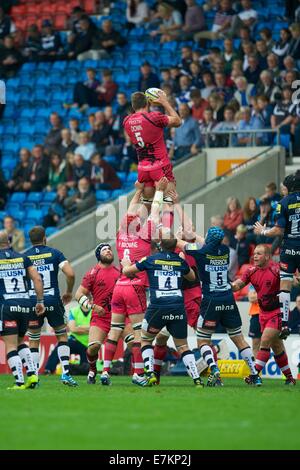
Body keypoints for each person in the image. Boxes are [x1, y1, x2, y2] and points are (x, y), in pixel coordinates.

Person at [101, 179, 168, 386]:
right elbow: (156, 211)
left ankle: (104, 371)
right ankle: (138, 373)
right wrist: (159, 191)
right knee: (140, 332)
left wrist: (138, 191)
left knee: (115, 330)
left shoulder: (120, 236)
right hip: (135, 286)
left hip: (119, 287)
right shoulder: (145, 234)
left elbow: (130, 211)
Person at [178, 226, 260, 386]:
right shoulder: (225, 250)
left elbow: (179, 244)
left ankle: (214, 369)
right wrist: (194, 235)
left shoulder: (200, 251)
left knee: (202, 340)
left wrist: (174, 235)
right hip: (229, 298)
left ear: (209, 238)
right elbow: (206, 243)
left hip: (211, 300)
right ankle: (255, 374)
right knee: (239, 339)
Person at [122, 230, 204, 388]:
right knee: (182, 345)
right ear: (175, 246)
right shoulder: (180, 262)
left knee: (146, 339)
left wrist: (126, 264)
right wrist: (182, 261)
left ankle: (150, 373)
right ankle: (196, 379)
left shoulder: (151, 259)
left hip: (157, 307)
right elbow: (192, 277)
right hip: (177, 307)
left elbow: (127, 272)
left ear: (160, 244)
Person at [232, 245, 296, 385]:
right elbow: (238, 285)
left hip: (278, 312)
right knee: (277, 347)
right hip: (263, 314)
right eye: (254, 253)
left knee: (265, 340)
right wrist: (227, 285)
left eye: (259, 254)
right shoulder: (251, 271)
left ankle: (254, 375)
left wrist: (293, 278)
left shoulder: (277, 269)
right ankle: (290, 379)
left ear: (267, 256)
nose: (254, 256)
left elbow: (294, 282)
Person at [25, 226, 77, 387]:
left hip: (34, 301)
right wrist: (68, 291)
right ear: (45, 238)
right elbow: (70, 273)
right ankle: (66, 374)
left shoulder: (24, 257)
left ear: (30, 240)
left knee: (34, 339)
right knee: (61, 335)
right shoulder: (55, 253)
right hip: (53, 300)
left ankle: (33, 377)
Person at [254, 171, 300, 344]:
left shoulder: (283, 203)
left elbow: (278, 231)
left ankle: (285, 324)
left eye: (284, 188)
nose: (283, 190)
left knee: (285, 287)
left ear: (289, 187)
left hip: (289, 249)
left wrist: (262, 231)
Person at [0, 231, 43, 390]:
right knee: (20, 342)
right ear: (9, 241)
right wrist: (39, 301)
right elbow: (37, 279)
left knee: (10, 345)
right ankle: (32, 374)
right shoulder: (23, 258)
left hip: (7, 306)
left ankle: (19, 381)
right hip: (26, 305)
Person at [123, 91, 181, 204]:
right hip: (160, 166)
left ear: (133, 105)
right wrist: (165, 102)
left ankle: (145, 222)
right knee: (169, 202)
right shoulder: (154, 117)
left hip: (143, 169)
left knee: (147, 206)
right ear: (148, 103)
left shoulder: (126, 121)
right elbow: (178, 121)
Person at [75, 243, 120, 385]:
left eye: (109, 249)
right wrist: (93, 306)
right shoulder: (92, 273)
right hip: (100, 317)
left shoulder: (120, 272)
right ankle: (93, 370)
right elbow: (78, 294)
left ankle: (139, 374)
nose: (108, 251)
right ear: (98, 255)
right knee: (93, 347)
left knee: (133, 342)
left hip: (118, 316)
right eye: (104, 250)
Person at [44, 304, 91, 374]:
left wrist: (80, 327)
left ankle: (85, 371)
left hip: (88, 344)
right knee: (61, 347)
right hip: (75, 340)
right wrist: (88, 328)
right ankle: (49, 369)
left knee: (86, 369)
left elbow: (95, 328)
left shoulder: (94, 312)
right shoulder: (74, 311)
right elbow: (73, 329)